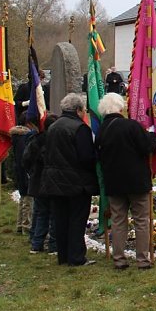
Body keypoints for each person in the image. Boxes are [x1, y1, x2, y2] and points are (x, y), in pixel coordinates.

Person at [96, 93, 156, 270]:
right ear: (120, 108)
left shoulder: (101, 130)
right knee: (141, 220)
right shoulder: (131, 126)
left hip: (114, 182)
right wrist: (152, 133)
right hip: (136, 181)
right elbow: (147, 147)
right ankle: (142, 260)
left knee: (118, 221)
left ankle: (119, 259)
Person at [40, 93, 99, 267]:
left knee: (61, 219)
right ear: (79, 110)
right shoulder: (80, 128)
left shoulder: (53, 126)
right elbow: (86, 157)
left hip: (55, 180)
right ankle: (76, 257)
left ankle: (63, 255)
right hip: (76, 181)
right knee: (76, 220)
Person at [23, 114, 58, 255]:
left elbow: (26, 159)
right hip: (51, 182)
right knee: (53, 215)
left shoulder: (36, 140)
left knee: (41, 213)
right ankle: (53, 245)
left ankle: (36, 243)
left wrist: (31, 172)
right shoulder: (55, 141)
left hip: (38, 182)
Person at [10, 111, 33, 234]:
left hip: (19, 170)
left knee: (23, 197)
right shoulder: (24, 138)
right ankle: (26, 226)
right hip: (25, 171)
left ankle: (20, 224)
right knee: (28, 200)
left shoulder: (17, 137)